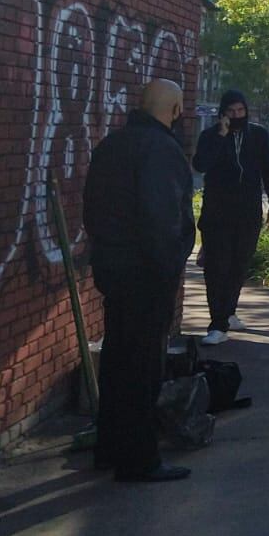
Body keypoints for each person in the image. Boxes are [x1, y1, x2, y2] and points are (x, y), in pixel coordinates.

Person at [83, 79, 196, 482]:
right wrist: (169, 266)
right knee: (143, 368)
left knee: (116, 360)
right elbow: (162, 221)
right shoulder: (162, 151)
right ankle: (139, 459)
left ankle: (110, 448)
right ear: (176, 109)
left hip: (114, 270)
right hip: (146, 275)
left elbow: (92, 210)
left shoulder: (111, 146)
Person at [192, 89, 269, 345]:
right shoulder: (210, 135)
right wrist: (221, 136)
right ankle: (217, 324)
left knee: (239, 266)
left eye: (240, 111)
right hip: (217, 213)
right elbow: (201, 165)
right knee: (216, 267)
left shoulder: (258, 135)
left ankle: (228, 312)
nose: (236, 116)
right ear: (222, 113)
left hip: (247, 211)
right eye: (231, 112)